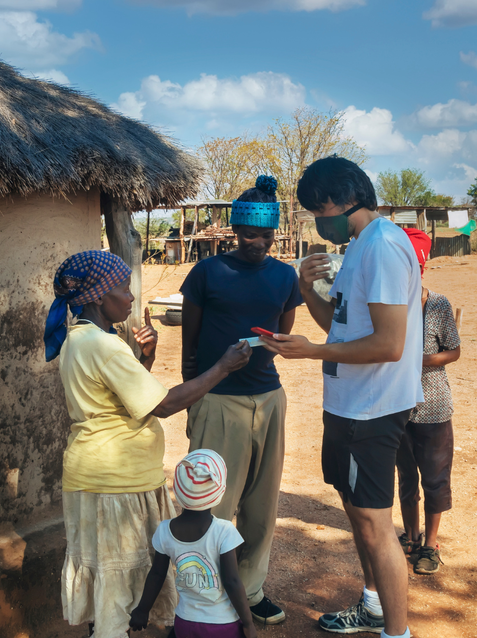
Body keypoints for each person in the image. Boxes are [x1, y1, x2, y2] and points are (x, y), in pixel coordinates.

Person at [44, 250, 252, 638]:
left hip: (97, 476)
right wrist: (222, 368)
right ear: (99, 297)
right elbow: (164, 405)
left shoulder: (80, 338)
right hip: (116, 481)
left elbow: (123, 400)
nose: (131, 297)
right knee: (119, 585)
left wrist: (145, 359)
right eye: (123, 289)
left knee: (110, 580)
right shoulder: (104, 346)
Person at [261, 157, 423, 638]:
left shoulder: (383, 247)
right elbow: (340, 325)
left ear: (342, 201)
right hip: (348, 404)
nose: (317, 221)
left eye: (318, 211)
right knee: (357, 513)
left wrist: (312, 352)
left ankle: (397, 633)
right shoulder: (358, 247)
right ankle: (373, 606)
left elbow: (389, 345)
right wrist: (305, 287)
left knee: (374, 524)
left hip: (371, 409)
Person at [180, 175, 302, 625]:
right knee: (210, 505)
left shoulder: (284, 276)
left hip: (268, 398)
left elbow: (283, 332)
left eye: (267, 235)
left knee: (261, 503)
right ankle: (202, 598)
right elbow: (189, 340)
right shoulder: (208, 273)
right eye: (250, 234)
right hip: (217, 400)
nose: (259, 243)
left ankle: (249, 590)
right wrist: (196, 393)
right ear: (235, 230)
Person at [130, 450, 258, 638]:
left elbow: (157, 574)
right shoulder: (223, 531)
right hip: (223, 625)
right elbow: (232, 581)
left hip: (185, 623)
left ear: (178, 491)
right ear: (219, 492)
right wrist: (248, 623)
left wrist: (142, 610)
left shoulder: (165, 530)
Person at [395, 233, 462, 574]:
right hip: (397, 407)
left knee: (434, 479)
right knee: (406, 478)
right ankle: (411, 536)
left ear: (420, 268)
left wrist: (420, 361)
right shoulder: (388, 307)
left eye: (413, 268)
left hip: (433, 407)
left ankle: (430, 544)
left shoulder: (437, 305)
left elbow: (454, 350)